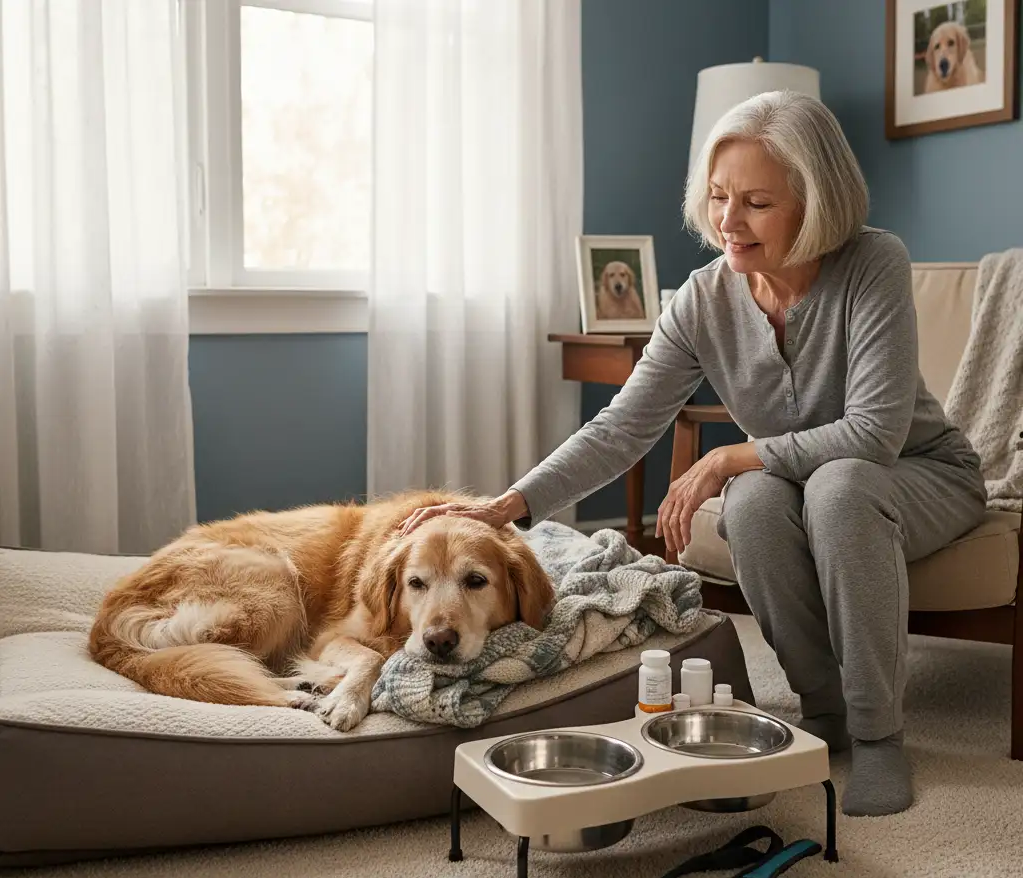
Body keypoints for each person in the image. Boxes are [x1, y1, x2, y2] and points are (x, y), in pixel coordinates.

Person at [398, 90, 986, 817]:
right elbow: (622, 426)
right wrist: (509, 506)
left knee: (833, 487)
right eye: (717, 198)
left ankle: (877, 735)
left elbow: (873, 435)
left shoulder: (873, 263)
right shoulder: (704, 300)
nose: (728, 223)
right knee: (758, 502)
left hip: (920, 474)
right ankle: (825, 710)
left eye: (757, 203)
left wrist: (725, 458)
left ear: (815, 201)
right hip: (806, 482)